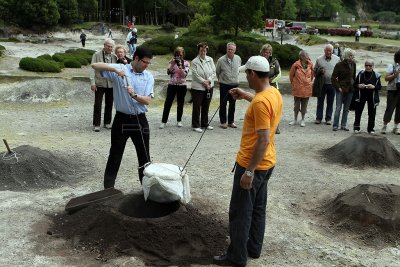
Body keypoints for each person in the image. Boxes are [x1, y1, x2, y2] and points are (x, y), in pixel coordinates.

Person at [213, 56, 283, 267]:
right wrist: (246, 96)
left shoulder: (261, 101)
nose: (245, 77)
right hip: (268, 163)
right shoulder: (273, 93)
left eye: (246, 73)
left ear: (253, 74)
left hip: (253, 165)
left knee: (240, 212)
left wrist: (249, 172)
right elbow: (263, 106)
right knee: (258, 209)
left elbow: (263, 139)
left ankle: (237, 257)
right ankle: (253, 248)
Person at [91, 47, 154, 188]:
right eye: (145, 62)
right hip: (121, 120)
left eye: (149, 63)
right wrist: (115, 70)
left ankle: (147, 190)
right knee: (115, 154)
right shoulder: (121, 68)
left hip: (140, 120)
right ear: (136, 58)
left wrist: (134, 95)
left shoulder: (148, 76)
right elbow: (95, 66)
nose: (147, 65)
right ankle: (108, 189)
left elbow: (148, 100)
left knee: (145, 157)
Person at [89, 38, 117, 132]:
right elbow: (92, 69)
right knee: (98, 104)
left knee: (109, 104)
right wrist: (92, 83)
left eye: (111, 47)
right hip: (99, 83)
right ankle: (96, 124)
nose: (110, 48)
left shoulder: (114, 57)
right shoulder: (96, 55)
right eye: (108, 46)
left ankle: (107, 123)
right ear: (104, 45)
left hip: (111, 84)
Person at [159, 47, 190, 129]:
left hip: (182, 85)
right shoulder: (171, 62)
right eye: (177, 54)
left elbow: (184, 75)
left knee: (180, 103)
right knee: (168, 103)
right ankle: (163, 121)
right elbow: (168, 72)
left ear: (183, 54)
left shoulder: (186, 63)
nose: (179, 56)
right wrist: (173, 64)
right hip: (172, 84)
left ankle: (179, 120)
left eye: (180, 54)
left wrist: (180, 66)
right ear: (174, 54)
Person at [190, 42, 216, 133]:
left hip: (209, 86)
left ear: (207, 50)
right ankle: (195, 125)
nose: (203, 52)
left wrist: (208, 80)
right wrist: (203, 81)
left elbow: (214, 72)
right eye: (201, 50)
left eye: (204, 50)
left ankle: (204, 123)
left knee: (206, 105)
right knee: (197, 106)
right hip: (198, 88)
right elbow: (195, 74)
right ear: (198, 50)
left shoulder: (210, 59)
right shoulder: (194, 62)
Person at [216, 42, 241, 129]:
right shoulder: (221, 60)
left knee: (233, 103)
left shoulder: (238, 58)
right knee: (223, 103)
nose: (230, 51)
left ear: (235, 50)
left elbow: (239, 69)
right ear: (226, 49)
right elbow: (217, 72)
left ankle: (231, 121)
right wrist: (221, 80)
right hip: (224, 85)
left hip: (234, 84)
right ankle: (223, 122)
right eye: (229, 49)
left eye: (232, 49)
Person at [313, 44, 341, 125]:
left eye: (330, 50)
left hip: (332, 84)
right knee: (320, 102)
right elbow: (314, 72)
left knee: (330, 102)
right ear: (324, 50)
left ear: (332, 51)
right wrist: (319, 71)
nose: (328, 52)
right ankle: (318, 118)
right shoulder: (319, 59)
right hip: (321, 84)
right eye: (327, 50)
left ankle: (328, 118)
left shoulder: (337, 59)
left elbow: (340, 70)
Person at [353, 59, 382, 134]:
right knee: (358, 112)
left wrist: (373, 87)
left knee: (372, 113)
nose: (368, 67)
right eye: (366, 65)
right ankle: (356, 127)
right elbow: (354, 84)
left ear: (373, 66)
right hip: (361, 95)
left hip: (372, 96)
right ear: (364, 66)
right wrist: (359, 85)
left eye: (370, 65)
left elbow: (379, 87)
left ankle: (371, 129)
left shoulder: (376, 75)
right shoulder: (360, 74)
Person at [331, 48, 356, 131]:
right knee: (338, 108)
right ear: (346, 56)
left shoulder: (353, 64)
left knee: (346, 109)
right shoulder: (339, 65)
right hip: (341, 89)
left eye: (353, 55)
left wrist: (354, 84)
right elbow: (333, 78)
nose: (352, 57)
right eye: (351, 55)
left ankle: (343, 125)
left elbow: (354, 76)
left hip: (350, 89)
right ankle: (335, 125)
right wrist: (338, 87)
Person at [289, 50, 314, 127]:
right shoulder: (295, 65)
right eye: (306, 55)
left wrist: (308, 82)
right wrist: (295, 84)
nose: (308, 57)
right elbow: (291, 76)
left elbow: (312, 76)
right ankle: (295, 119)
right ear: (302, 56)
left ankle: (303, 119)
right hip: (298, 89)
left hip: (307, 89)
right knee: (296, 105)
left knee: (304, 106)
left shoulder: (310, 65)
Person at [260, 44, 282, 133]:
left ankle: (275, 126)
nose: (267, 54)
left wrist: (270, 81)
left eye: (269, 52)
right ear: (262, 52)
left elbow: (279, 74)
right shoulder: (259, 60)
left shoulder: (274, 61)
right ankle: (263, 126)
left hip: (273, 87)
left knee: (274, 107)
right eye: (266, 52)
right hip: (261, 87)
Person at [381, 50, 400, 135]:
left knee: (399, 109)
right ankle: (385, 126)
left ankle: (396, 127)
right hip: (392, 89)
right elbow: (386, 78)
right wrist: (395, 74)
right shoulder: (391, 65)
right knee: (390, 108)